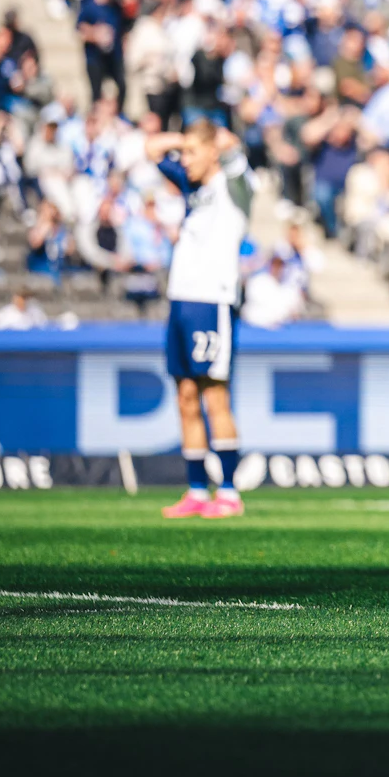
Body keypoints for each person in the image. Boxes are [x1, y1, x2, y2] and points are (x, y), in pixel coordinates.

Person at [148, 121, 253, 520]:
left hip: (213, 300)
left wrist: (212, 143)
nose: (184, 160)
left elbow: (234, 150)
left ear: (212, 152)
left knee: (215, 396)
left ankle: (228, 491)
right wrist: (185, 140)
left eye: (193, 153)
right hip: (181, 301)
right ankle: (196, 489)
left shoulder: (235, 186)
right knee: (185, 397)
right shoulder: (195, 189)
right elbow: (151, 149)